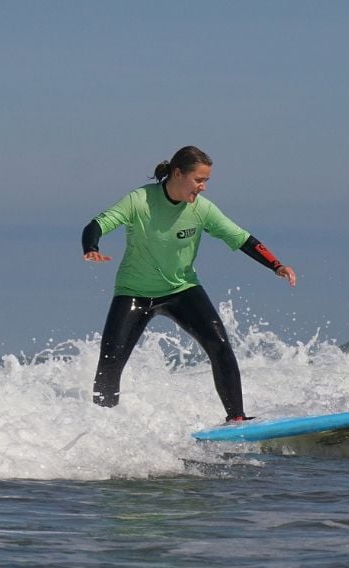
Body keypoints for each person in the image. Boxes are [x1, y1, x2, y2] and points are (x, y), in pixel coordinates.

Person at [81, 146, 296, 421]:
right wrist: (91, 247)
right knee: (110, 360)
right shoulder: (140, 201)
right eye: (199, 180)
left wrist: (276, 265)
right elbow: (98, 224)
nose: (203, 187)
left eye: (206, 181)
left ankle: (237, 418)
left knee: (219, 344)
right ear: (178, 173)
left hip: (182, 290)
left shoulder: (201, 210)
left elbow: (241, 238)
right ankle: (102, 422)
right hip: (133, 292)